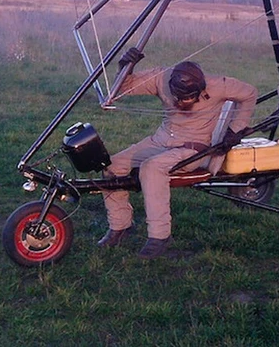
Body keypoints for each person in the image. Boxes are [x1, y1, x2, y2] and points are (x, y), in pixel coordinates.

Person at [97, 48, 258, 259]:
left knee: (152, 168)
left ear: (201, 90)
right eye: (179, 97)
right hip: (160, 140)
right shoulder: (161, 78)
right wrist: (125, 67)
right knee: (112, 165)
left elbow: (250, 93)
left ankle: (159, 236)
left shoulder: (218, 85)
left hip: (192, 148)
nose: (182, 103)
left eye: (189, 98)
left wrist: (235, 130)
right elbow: (123, 88)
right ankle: (120, 226)